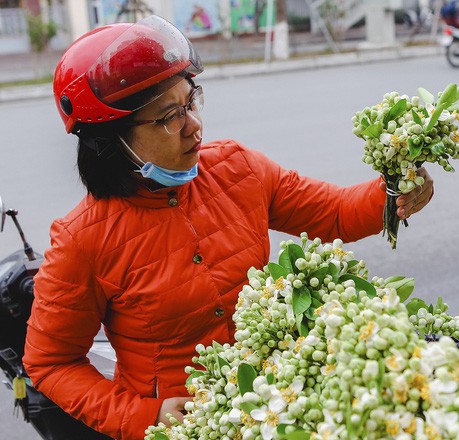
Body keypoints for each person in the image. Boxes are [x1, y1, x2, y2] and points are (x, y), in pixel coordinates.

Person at [22, 15, 435, 440]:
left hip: (275, 402)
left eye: (191, 101)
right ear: (112, 141)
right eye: (168, 117)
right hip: (189, 426)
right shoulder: (82, 238)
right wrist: (144, 415)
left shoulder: (237, 168)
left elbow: (334, 213)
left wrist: (394, 191)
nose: (193, 125)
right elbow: (50, 362)